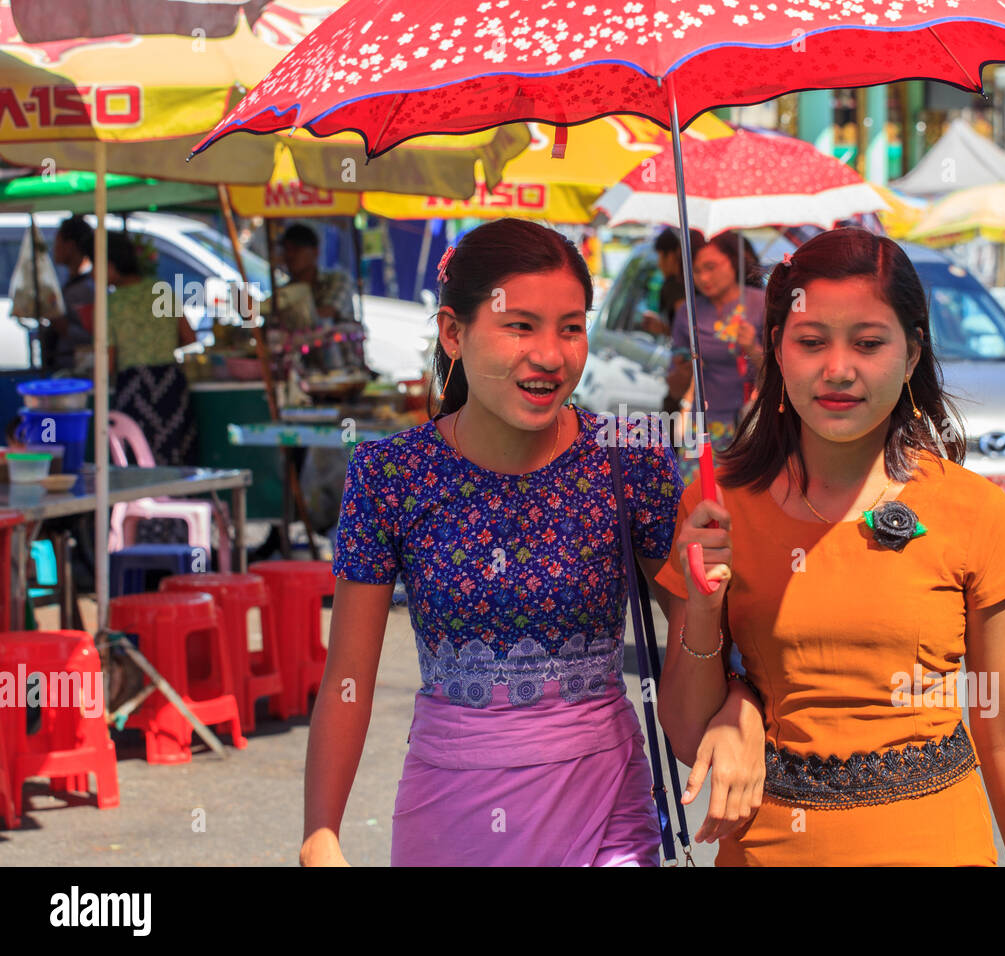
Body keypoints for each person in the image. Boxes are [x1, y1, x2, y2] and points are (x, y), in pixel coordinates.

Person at [308, 217, 760, 867]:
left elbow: (698, 628)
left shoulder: (629, 459)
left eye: (570, 327)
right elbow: (347, 679)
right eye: (520, 325)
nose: (550, 355)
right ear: (453, 333)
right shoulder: (390, 476)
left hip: (608, 805)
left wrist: (729, 681)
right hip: (450, 809)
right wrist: (320, 831)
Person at [655, 227, 1005, 866]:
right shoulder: (715, 508)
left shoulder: (974, 510)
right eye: (812, 343)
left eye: (869, 343)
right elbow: (682, 732)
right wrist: (703, 611)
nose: (839, 369)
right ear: (778, 348)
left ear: (913, 353)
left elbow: (1004, 732)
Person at [664, 229, 766, 485]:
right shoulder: (689, 313)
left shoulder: (763, 305)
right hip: (703, 424)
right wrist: (685, 369)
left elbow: (782, 374)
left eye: (711, 267)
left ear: (732, 261)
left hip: (753, 422)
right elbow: (675, 386)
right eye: (696, 271)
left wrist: (753, 348)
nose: (703, 277)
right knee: (698, 498)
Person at [105, 230, 199, 467]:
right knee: (174, 458)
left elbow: (107, 362)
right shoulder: (160, 288)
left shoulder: (111, 303)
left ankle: (141, 504)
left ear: (111, 265)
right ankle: (176, 502)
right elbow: (189, 337)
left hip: (135, 388)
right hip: (170, 384)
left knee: (138, 463)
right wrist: (158, 344)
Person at [277, 222, 356, 325]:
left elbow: (327, 312)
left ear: (315, 252)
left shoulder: (338, 279)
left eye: (296, 249)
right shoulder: (285, 291)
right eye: (286, 250)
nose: (290, 255)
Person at [44, 216, 95, 373]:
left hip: (77, 372)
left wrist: (63, 327)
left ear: (70, 246)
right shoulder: (72, 282)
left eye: (57, 242)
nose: (54, 249)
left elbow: (95, 335)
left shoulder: (86, 289)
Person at [642, 228, 685, 341]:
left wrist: (664, 328)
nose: (659, 264)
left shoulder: (673, 286)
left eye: (660, 257)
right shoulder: (692, 285)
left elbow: (686, 331)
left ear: (671, 256)